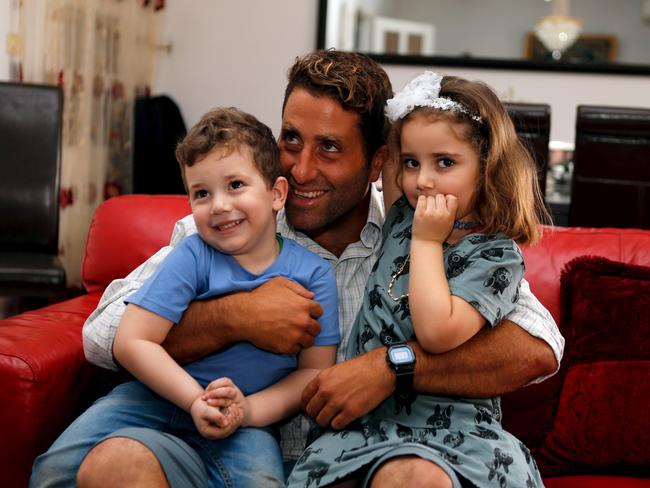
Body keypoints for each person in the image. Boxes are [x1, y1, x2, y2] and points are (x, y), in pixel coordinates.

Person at [31, 50, 564, 488]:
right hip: (192, 436)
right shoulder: (227, 224)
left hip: (335, 456)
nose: (299, 168)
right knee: (104, 466)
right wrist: (232, 317)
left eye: (329, 148)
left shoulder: (418, 237)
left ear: (378, 163)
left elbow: (537, 349)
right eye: (291, 140)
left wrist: (390, 366)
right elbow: (100, 335)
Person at [288, 71, 548, 488]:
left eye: (445, 162)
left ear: (487, 166)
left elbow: (437, 333)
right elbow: (392, 155)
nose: (423, 179)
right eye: (412, 163)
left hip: (452, 434)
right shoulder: (404, 213)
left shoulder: (494, 256)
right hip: (365, 426)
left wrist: (427, 242)